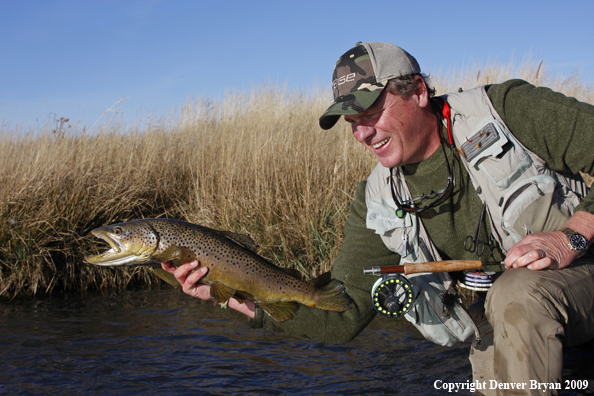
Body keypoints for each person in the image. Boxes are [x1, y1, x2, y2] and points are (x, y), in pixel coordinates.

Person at [162, 42, 594, 395]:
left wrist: (571, 235)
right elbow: (340, 315)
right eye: (352, 121)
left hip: (579, 276)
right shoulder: (376, 199)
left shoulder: (508, 111)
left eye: (370, 112)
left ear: (419, 92)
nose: (362, 133)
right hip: (501, 325)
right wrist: (230, 295)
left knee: (515, 294)